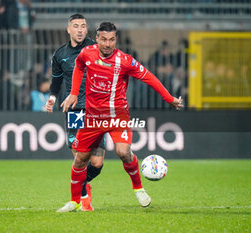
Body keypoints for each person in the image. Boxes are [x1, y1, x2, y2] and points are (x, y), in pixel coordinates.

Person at [58, 22, 183, 212]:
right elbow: (78, 67)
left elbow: (149, 77)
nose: (108, 44)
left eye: (112, 39)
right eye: (104, 39)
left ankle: (138, 188)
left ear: (116, 39)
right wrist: (74, 93)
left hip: (118, 115)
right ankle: (74, 201)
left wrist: (169, 98)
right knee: (81, 159)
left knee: (123, 152)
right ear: (97, 38)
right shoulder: (87, 54)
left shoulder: (125, 61)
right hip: (93, 117)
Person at [45, 13, 105, 211]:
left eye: (83, 26)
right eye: (76, 26)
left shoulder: (97, 49)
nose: (80, 30)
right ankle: (83, 196)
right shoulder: (60, 54)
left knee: (96, 163)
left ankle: (79, 186)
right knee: (80, 157)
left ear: (87, 29)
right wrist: (52, 99)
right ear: (68, 29)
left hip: (97, 110)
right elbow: (56, 81)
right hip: (75, 110)